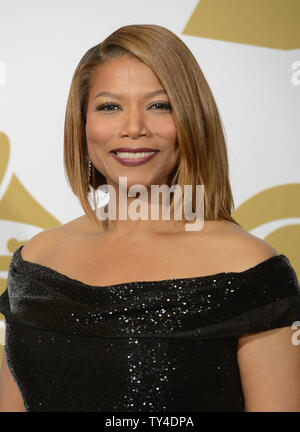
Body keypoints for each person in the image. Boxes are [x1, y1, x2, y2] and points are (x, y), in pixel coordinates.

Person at [0, 24, 299, 412]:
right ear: (83, 124)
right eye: (109, 106)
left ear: (192, 120)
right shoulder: (38, 260)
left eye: (159, 105)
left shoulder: (249, 267)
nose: (134, 128)